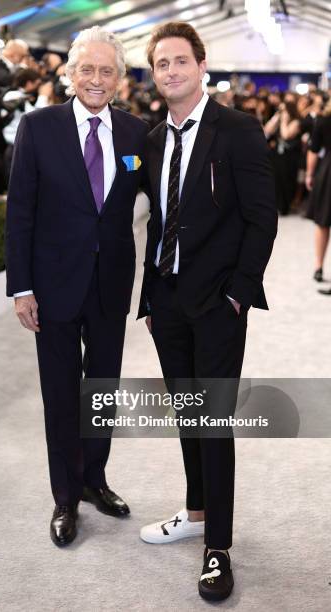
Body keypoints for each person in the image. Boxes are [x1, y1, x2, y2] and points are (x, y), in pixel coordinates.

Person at [137, 22, 277, 602]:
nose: (171, 71)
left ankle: (217, 546)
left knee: (214, 423)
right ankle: (195, 512)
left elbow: (261, 218)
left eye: (179, 61)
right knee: (188, 415)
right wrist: (149, 294)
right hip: (166, 300)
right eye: (160, 64)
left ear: (200, 65)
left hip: (219, 303)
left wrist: (239, 292)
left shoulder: (238, 131)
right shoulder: (150, 139)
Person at [5, 26, 148, 547]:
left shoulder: (137, 134)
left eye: (106, 71)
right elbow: (19, 212)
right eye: (86, 69)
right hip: (53, 285)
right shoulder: (37, 128)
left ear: (120, 80)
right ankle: (65, 497)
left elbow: (165, 205)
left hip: (111, 285)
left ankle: (95, 480)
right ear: (68, 73)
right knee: (61, 395)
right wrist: (21, 287)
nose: (96, 78)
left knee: (101, 391)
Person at [305, 100, 331, 292]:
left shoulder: (323, 121)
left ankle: (319, 267)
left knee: (323, 222)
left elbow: (313, 151)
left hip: (328, 172)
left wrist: (309, 174)